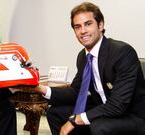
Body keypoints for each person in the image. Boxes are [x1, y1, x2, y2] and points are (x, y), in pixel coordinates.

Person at [30, 2, 145, 135]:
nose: (83, 31)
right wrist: (41, 89)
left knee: (99, 126)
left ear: (100, 25)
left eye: (88, 24)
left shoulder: (122, 52)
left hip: (132, 116)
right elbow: (77, 91)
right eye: (77, 27)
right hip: (103, 108)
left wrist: (75, 120)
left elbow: (118, 105)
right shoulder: (83, 57)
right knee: (55, 113)